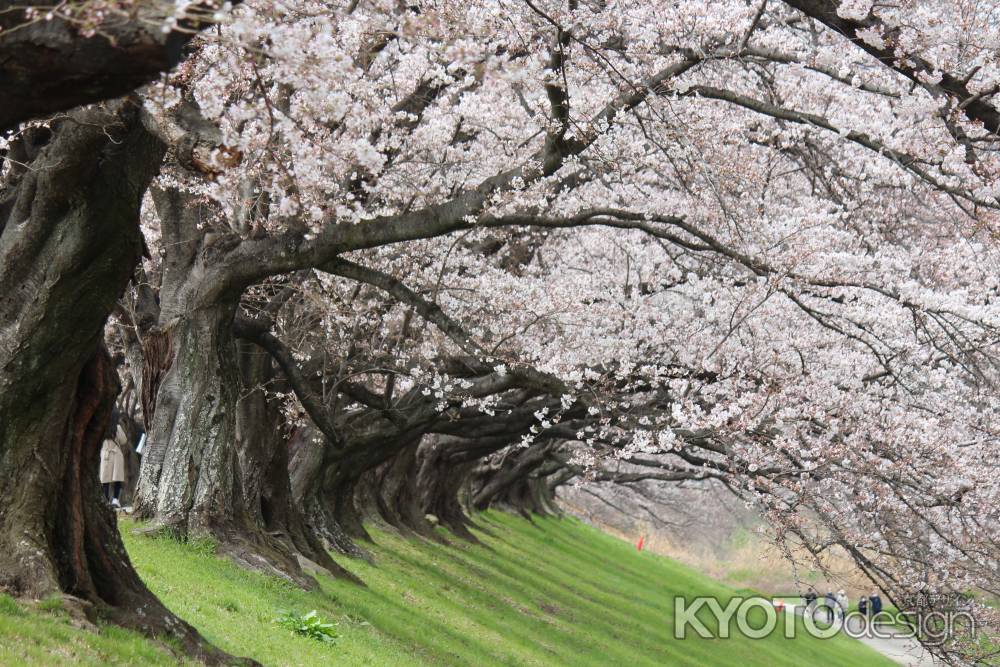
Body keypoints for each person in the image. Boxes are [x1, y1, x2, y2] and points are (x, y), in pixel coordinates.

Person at [100, 421, 127, 508]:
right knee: (117, 478)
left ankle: (106, 500)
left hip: (105, 455)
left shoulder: (100, 425)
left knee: (105, 479)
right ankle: (115, 500)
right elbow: (123, 440)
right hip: (116, 454)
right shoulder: (117, 427)